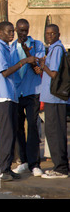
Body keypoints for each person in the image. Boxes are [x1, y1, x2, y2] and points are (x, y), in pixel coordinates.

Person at [0, 21, 37, 181]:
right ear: (0, 32)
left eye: (12, 32)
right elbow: (4, 72)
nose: (12, 34)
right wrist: (23, 61)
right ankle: (1, 170)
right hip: (2, 95)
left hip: (11, 94)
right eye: (9, 31)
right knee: (5, 134)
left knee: (11, 133)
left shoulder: (6, 47)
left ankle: (7, 168)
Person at [10, 19, 45, 177]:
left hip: (32, 91)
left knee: (32, 126)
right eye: (21, 30)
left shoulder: (37, 45)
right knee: (17, 127)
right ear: (16, 29)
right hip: (16, 93)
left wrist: (28, 53)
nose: (24, 33)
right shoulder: (10, 47)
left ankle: (34, 163)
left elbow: (38, 69)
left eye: (26, 30)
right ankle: (23, 161)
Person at [38, 24, 69, 179]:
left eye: (52, 33)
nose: (49, 36)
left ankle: (61, 169)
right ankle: (59, 166)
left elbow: (54, 74)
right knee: (52, 133)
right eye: (47, 33)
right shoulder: (53, 48)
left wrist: (44, 66)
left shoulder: (57, 49)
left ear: (58, 34)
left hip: (55, 98)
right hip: (51, 98)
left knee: (55, 133)